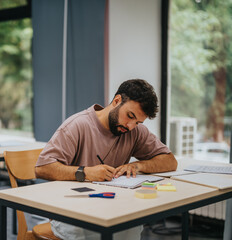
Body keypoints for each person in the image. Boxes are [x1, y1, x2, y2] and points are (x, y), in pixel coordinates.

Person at [35, 79, 178, 240]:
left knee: (132, 225)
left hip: (111, 208)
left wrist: (138, 166)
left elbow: (170, 161)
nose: (130, 126)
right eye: (130, 116)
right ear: (117, 101)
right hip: (71, 211)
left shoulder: (135, 132)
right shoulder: (77, 125)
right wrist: (85, 172)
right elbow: (42, 168)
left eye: (137, 122)